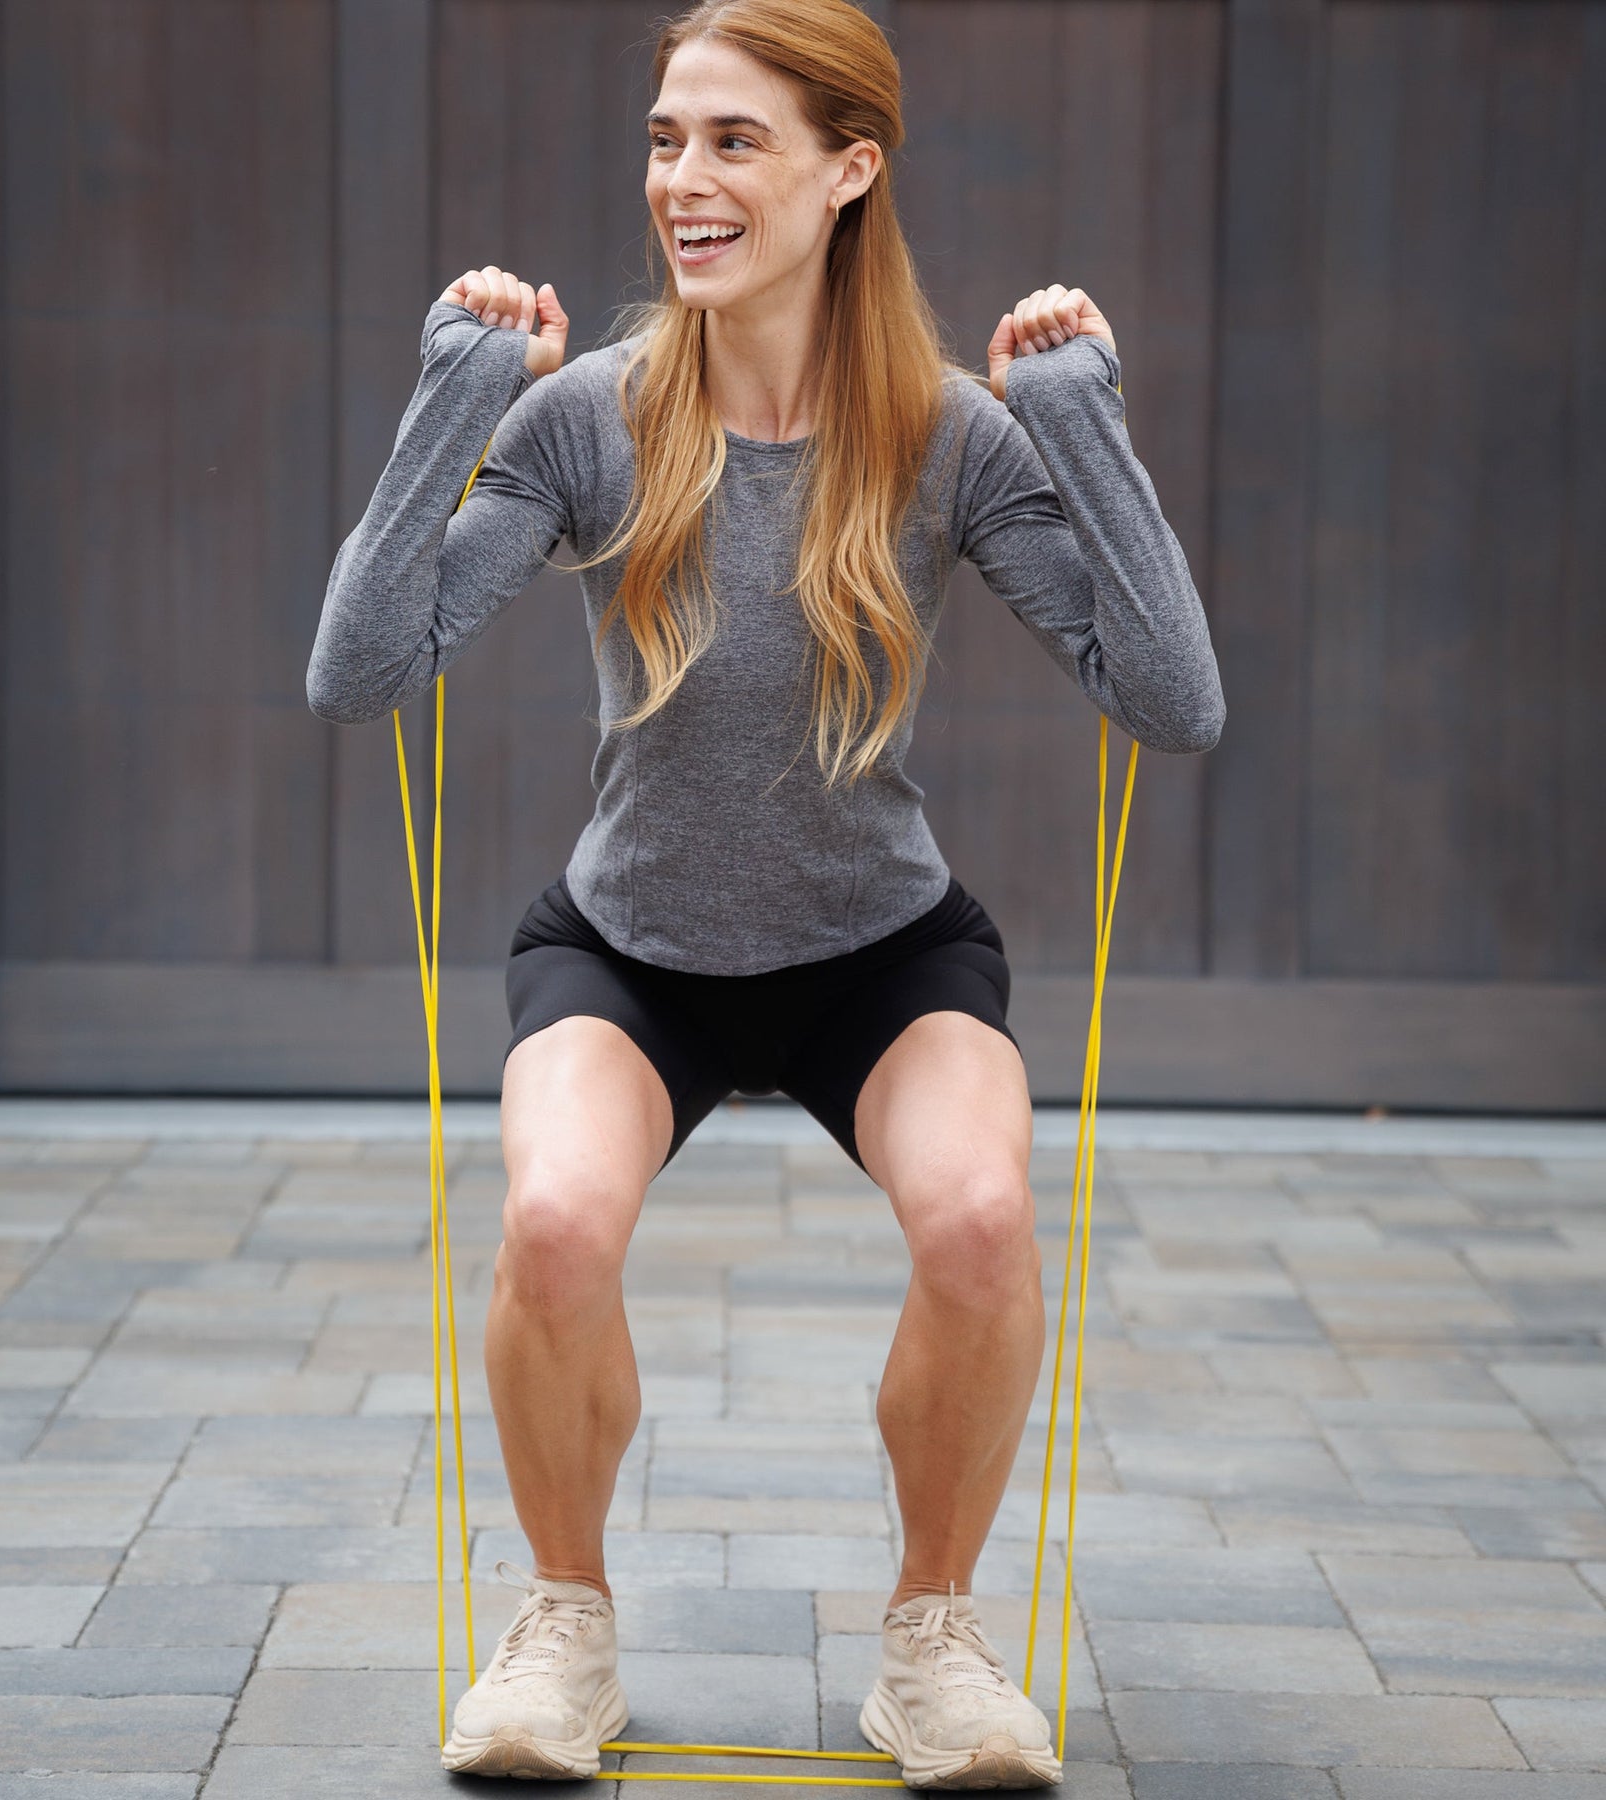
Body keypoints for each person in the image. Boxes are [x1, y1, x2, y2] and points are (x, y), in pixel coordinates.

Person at [306, 0, 1223, 1785]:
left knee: (974, 1221)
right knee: (555, 1222)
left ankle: (934, 1644)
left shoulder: (945, 437)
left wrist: (1083, 421)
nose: (686, 181)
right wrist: (452, 400)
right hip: (627, 948)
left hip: (878, 950)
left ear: (847, 170)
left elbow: (1172, 702)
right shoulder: (592, 422)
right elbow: (359, 671)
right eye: (666, 140)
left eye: (734, 141)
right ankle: (563, 1629)